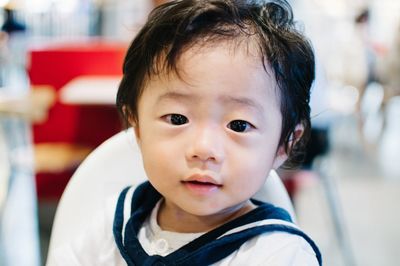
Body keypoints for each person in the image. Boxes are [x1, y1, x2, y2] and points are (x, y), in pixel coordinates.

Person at [49, 0, 321, 265]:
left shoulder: (280, 254)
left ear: (284, 144)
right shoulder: (113, 222)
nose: (203, 148)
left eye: (239, 125)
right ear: (137, 125)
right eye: (177, 118)